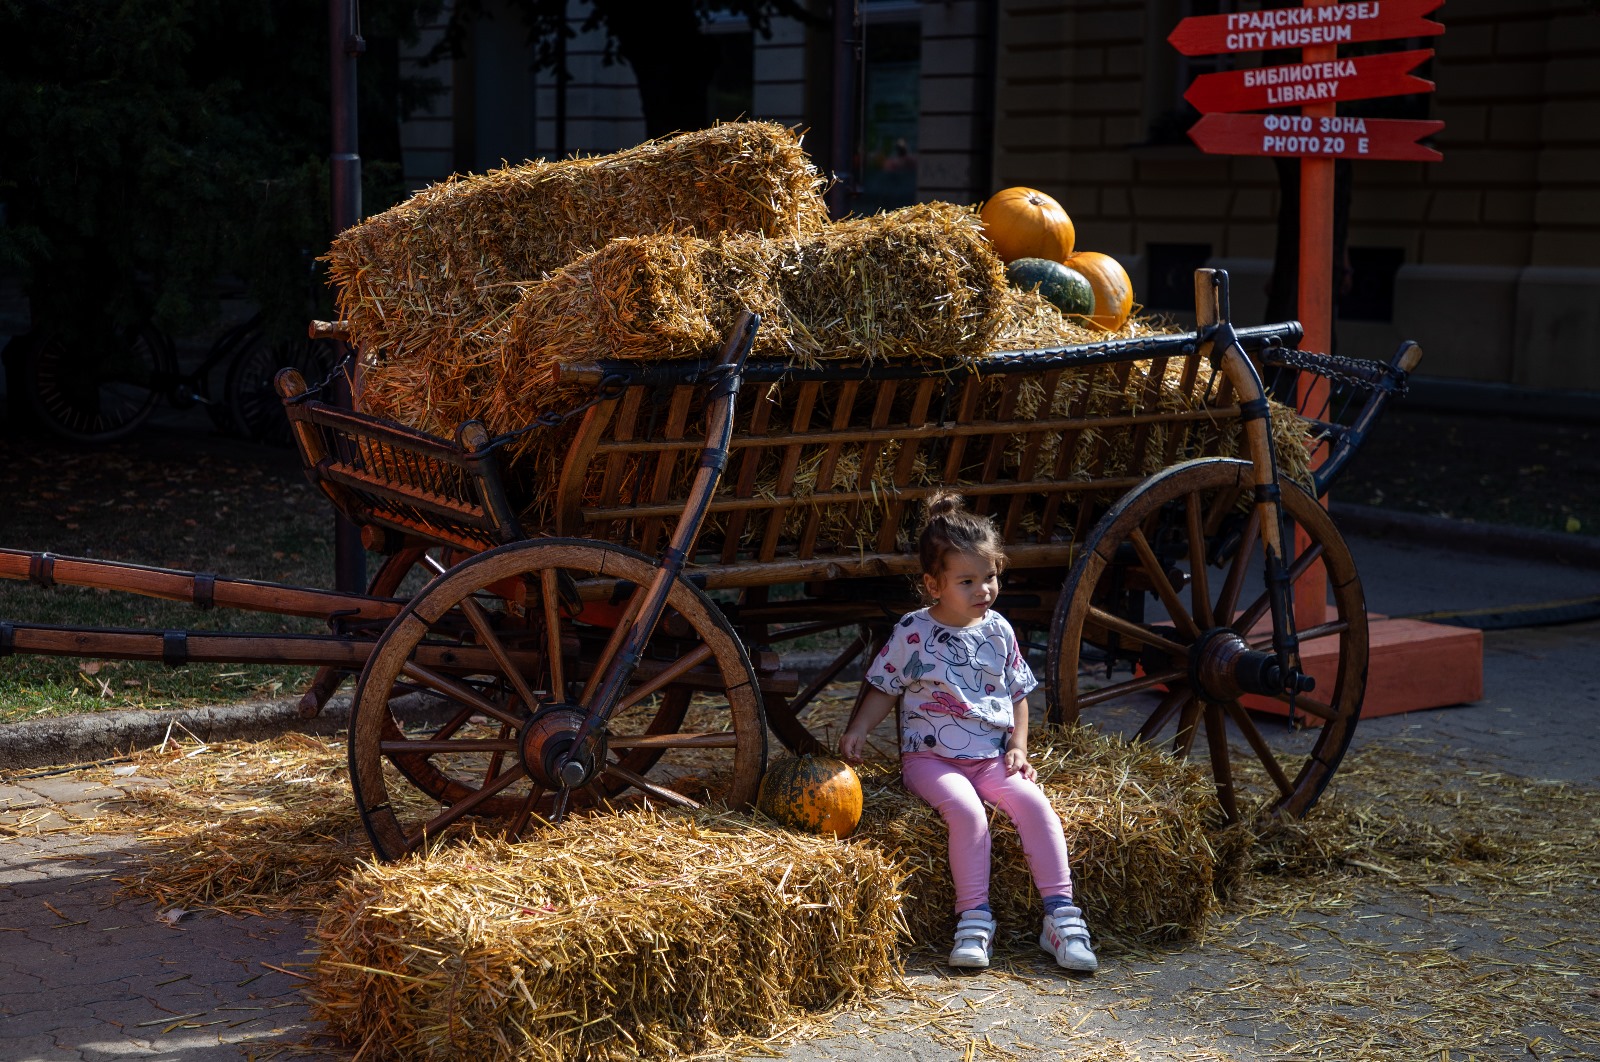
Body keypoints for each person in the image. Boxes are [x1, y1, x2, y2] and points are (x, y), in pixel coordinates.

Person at [838, 491, 1097, 973]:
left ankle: (1062, 917)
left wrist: (1019, 746)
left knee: (1036, 805)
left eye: (990, 577)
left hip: (991, 756)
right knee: (968, 813)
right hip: (930, 761)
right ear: (934, 585)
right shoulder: (912, 633)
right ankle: (974, 920)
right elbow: (884, 687)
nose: (984, 590)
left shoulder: (998, 629)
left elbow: (1018, 691)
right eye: (968, 581)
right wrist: (858, 729)